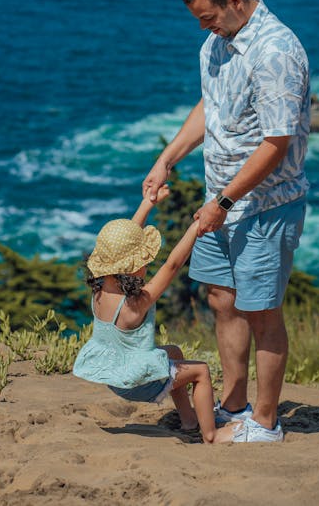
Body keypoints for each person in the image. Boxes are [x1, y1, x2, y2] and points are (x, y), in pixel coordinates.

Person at [143, 0, 310, 443]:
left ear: (234, 1)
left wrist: (223, 201)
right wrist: (167, 158)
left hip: (263, 205)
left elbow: (276, 143)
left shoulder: (277, 51)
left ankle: (264, 421)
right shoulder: (217, 43)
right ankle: (233, 404)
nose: (203, 26)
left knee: (263, 313)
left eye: (207, 16)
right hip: (220, 201)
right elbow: (211, 107)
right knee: (222, 300)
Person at [73, 186, 236, 444]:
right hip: (138, 382)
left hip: (113, 374)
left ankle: (189, 420)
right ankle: (211, 434)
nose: (147, 265)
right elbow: (172, 265)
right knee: (201, 372)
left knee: (173, 353)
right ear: (132, 267)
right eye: (144, 261)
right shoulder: (136, 304)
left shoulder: (100, 286)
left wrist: (148, 203)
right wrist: (195, 229)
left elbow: (122, 244)